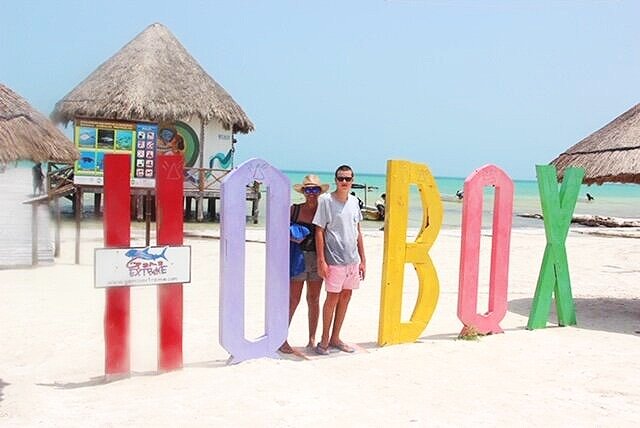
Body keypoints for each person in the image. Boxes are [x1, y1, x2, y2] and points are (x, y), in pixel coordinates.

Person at [313, 165, 366, 355]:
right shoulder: (326, 201)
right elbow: (319, 230)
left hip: (352, 260)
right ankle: (324, 339)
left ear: (353, 180)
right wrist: (321, 260)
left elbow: (358, 232)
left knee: (346, 297)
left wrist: (363, 260)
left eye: (348, 179)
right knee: (332, 299)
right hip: (334, 260)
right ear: (335, 180)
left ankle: (336, 337)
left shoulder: (354, 202)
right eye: (341, 178)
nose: (344, 182)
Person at [279, 175, 330, 354]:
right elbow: (279, 230)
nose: (311, 194)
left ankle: (312, 338)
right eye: (308, 190)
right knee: (293, 300)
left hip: (317, 259)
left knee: (314, 299)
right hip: (297, 258)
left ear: (319, 192)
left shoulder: (324, 210)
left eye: (315, 190)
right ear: (303, 192)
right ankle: (281, 338)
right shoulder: (294, 210)